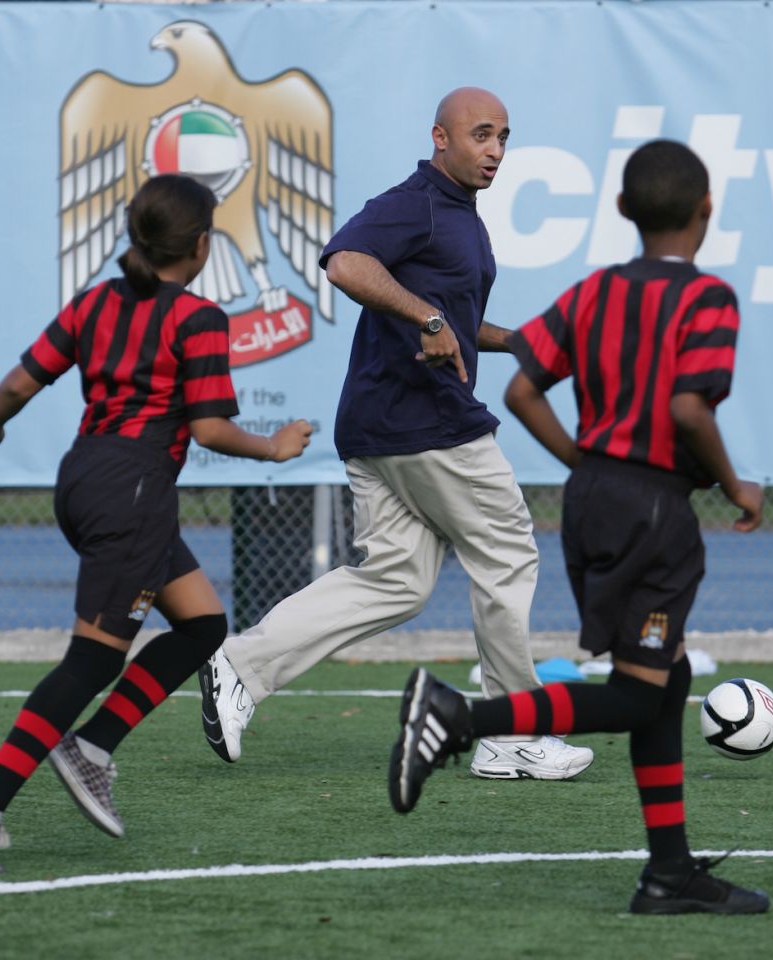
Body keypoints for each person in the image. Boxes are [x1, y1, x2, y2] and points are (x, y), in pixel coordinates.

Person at [387, 139, 770, 916]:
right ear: (705, 211)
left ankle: (668, 875)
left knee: (668, 683)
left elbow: (525, 386)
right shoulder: (707, 300)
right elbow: (687, 408)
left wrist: (585, 459)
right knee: (636, 696)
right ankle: (459, 718)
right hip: (655, 512)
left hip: (591, 499)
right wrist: (737, 487)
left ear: (623, 211)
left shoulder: (593, 292)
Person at [199, 86, 593, 782]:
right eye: (480, 135)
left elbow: (447, 315)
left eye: (503, 137)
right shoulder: (417, 201)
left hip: (381, 423)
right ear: (439, 137)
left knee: (396, 582)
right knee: (505, 552)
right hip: (426, 421)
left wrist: (514, 342)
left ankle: (240, 665)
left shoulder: (459, 217)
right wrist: (430, 321)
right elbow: (344, 261)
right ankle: (511, 733)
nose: (495, 150)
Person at [0, 174, 312, 877]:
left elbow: (16, 383)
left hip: (83, 481)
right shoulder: (196, 317)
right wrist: (274, 447)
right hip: (132, 493)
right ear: (199, 244)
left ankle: (93, 748)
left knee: (202, 625)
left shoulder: (95, 301)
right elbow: (211, 428)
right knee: (93, 659)